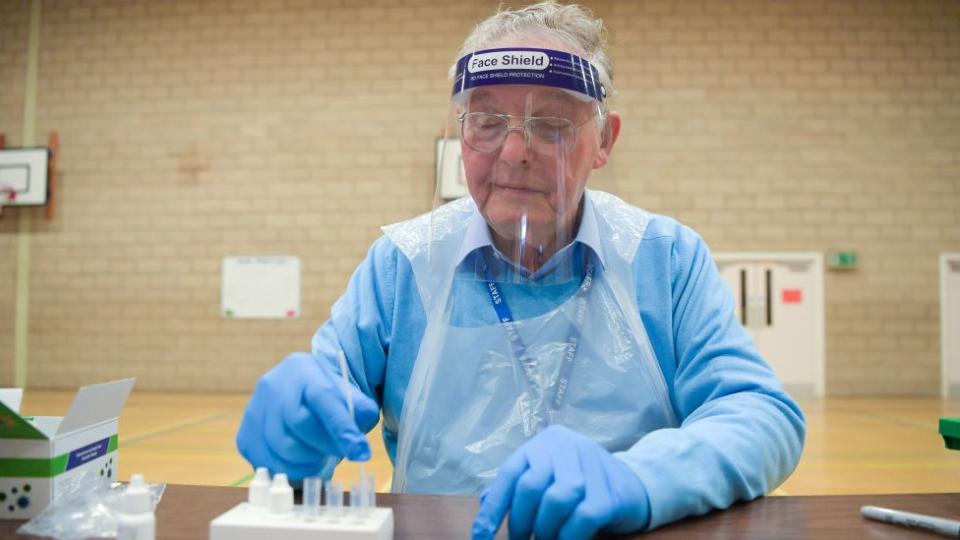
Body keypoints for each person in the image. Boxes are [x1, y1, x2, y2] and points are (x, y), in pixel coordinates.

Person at [236, 2, 805, 538]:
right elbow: (327, 399)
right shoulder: (404, 265)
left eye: (552, 123)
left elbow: (760, 414)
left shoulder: (663, 257)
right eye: (486, 121)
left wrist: (639, 478)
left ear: (604, 140)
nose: (514, 151)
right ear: (460, 134)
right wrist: (298, 433)